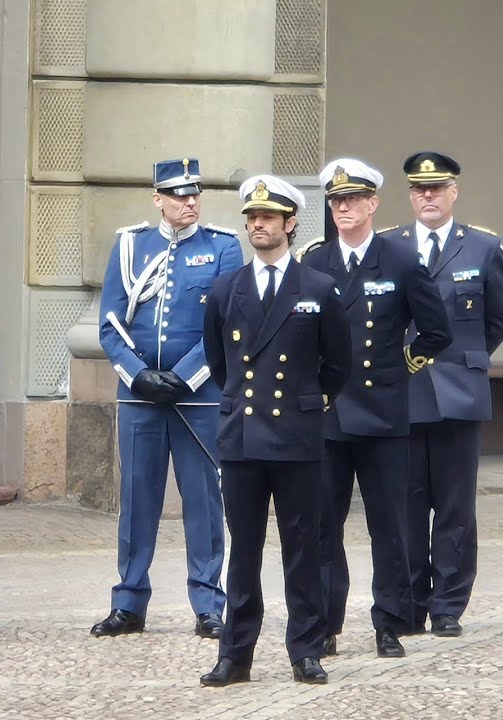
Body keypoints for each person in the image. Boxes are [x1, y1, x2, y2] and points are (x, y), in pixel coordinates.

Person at [199, 175, 350, 687]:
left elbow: (338, 364)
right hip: (242, 436)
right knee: (243, 552)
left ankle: (305, 649)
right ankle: (235, 654)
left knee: (302, 547)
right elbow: (221, 365)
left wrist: (308, 403)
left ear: (290, 224)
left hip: (298, 436)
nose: (256, 225)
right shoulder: (226, 288)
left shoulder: (318, 288)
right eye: (251, 218)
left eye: (267, 217)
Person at [298, 159, 452, 659]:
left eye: (352, 199)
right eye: (335, 200)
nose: (343, 207)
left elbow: (437, 331)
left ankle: (391, 619)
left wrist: (400, 369)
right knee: (323, 525)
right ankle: (324, 623)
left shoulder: (401, 259)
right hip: (328, 415)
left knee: (389, 524)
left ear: (372, 203)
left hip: (384, 412)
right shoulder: (314, 263)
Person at [92, 158, 241, 641]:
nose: (189, 202)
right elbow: (111, 323)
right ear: (158, 199)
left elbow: (228, 323)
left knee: (203, 501)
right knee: (137, 500)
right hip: (140, 399)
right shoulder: (131, 245)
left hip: (197, 397)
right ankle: (129, 602)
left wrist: (187, 375)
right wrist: (137, 376)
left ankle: (208, 603)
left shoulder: (222, 247)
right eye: (178, 195)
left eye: (194, 193)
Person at [390, 151, 503, 638]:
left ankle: (447, 604)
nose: (428, 195)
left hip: (459, 393)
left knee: (456, 506)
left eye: (437, 188)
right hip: (404, 391)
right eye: (420, 189)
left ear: (454, 192)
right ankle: (409, 602)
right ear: (410, 195)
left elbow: (499, 320)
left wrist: (466, 360)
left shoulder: (483, 248)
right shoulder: (391, 247)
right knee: (405, 505)